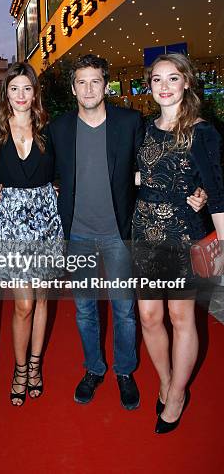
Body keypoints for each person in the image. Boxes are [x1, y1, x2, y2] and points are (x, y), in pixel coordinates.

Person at [48, 54, 206, 412]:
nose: (88, 89)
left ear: (106, 85)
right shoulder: (58, 129)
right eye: (81, 82)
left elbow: (160, 166)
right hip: (78, 234)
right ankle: (93, 368)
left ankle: (124, 370)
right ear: (74, 88)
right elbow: (44, 171)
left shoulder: (131, 122)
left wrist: (199, 189)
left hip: (121, 233)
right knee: (85, 311)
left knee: (125, 311)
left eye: (95, 81)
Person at [132, 53, 224, 433]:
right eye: (157, 80)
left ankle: (176, 395)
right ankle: (167, 380)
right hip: (143, 230)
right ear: (149, 85)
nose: (165, 87)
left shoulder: (202, 132)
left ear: (186, 82)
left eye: (173, 79)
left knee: (180, 317)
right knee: (150, 317)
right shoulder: (145, 128)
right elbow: (139, 175)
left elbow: (217, 193)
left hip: (181, 234)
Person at [0, 62, 63, 406]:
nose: (21, 95)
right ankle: (18, 368)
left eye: (27, 89)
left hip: (45, 217)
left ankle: (34, 366)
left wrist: (58, 188)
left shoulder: (50, 128)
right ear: (6, 93)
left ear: (35, 93)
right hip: (12, 220)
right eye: (14, 89)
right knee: (23, 304)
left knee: (42, 299)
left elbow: (64, 170)